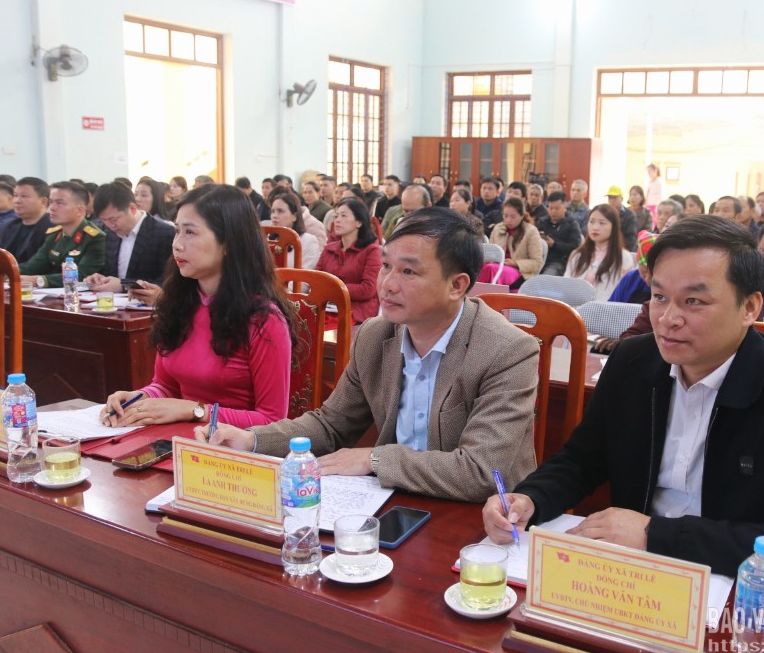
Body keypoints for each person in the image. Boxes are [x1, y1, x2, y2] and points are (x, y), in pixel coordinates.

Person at [483, 215, 764, 589]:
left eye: (693, 301)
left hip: (727, 587)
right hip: (627, 579)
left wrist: (654, 534)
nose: (668, 319)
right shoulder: (632, 362)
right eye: (658, 297)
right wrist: (530, 499)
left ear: (749, 307)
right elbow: (582, 460)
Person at [198, 207, 539, 502]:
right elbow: (331, 425)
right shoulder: (375, 336)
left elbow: (480, 471)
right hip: (393, 501)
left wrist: (373, 460)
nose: (387, 284)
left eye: (408, 271)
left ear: (457, 285)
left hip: (480, 519)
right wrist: (252, 440)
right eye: (386, 265)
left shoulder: (506, 350)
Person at [100, 184, 295, 429]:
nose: (177, 244)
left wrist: (193, 410)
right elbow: (165, 386)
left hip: (232, 448)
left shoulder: (264, 319)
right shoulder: (179, 302)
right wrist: (138, 398)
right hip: (181, 438)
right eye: (177, 231)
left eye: (190, 232)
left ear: (228, 243)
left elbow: (272, 421)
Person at [82, 182, 175, 293]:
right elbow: (111, 274)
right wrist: (100, 278)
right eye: (104, 220)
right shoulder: (110, 233)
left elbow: (167, 280)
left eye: (113, 219)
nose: (110, 225)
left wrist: (124, 285)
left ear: (132, 208)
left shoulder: (164, 233)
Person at [19, 181, 106, 287]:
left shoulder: (95, 238)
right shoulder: (54, 235)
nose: (52, 208)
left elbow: (82, 275)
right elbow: (33, 266)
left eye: (59, 203)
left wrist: (40, 280)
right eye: (51, 202)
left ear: (79, 210)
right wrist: (8, 271)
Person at [316, 196, 382, 324]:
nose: (337, 220)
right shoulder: (329, 249)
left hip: (357, 311)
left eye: (344, 216)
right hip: (328, 307)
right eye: (336, 216)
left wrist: (334, 289)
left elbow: (368, 289)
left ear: (359, 222)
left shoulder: (372, 250)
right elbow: (317, 280)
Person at [564, 204, 635, 300]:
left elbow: (626, 293)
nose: (595, 227)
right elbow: (566, 286)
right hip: (574, 307)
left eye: (602, 223)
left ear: (614, 227)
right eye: (591, 222)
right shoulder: (578, 255)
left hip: (607, 308)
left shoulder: (623, 257)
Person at [482, 197, 544, 288]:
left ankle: (478, 294)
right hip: (497, 265)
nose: (508, 220)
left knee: (490, 269)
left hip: (519, 272)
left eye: (513, 217)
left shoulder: (531, 231)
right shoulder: (498, 228)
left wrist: (515, 263)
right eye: (505, 216)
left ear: (521, 216)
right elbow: (490, 254)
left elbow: (537, 263)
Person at [0, 177, 52, 264]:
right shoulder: (10, 226)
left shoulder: (52, 228)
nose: (17, 201)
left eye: (24, 196)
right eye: (15, 196)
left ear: (43, 201)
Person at [268, 187, 322, 270]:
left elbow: (304, 275)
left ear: (294, 216)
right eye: (273, 211)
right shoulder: (269, 240)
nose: (274, 216)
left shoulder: (308, 241)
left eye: (280, 211)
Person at [535, 191, 582, 276]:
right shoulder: (542, 222)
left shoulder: (572, 224)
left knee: (546, 277)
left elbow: (575, 247)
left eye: (557, 209)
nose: (553, 211)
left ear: (565, 208)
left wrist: (554, 245)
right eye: (550, 208)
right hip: (539, 259)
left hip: (559, 262)